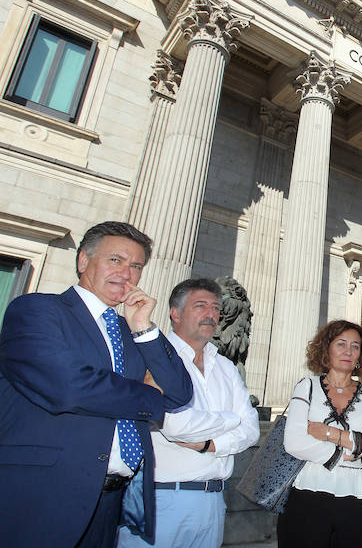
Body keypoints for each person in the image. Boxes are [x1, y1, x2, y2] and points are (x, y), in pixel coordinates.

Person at [0, 221, 194, 547]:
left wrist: (144, 328)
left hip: (109, 504)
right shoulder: (37, 310)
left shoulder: (130, 331)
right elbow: (68, 388)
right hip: (40, 497)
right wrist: (147, 393)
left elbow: (178, 393)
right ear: (83, 262)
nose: (127, 274)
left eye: (136, 266)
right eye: (115, 260)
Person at [117, 278, 260, 547]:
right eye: (201, 306)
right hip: (163, 500)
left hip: (213, 503)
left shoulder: (226, 367)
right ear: (175, 312)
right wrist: (232, 419)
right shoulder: (154, 356)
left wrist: (211, 444)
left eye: (216, 308)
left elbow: (251, 430)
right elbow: (173, 423)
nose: (212, 314)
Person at [279, 320, 362, 547]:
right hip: (308, 491)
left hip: (358, 495)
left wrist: (330, 433)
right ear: (326, 348)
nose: (348, 351)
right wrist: (352, 450)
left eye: (355, 346)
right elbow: (294, 442)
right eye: (341, 344)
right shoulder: (307, 385)